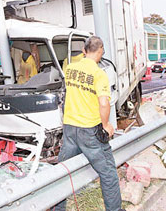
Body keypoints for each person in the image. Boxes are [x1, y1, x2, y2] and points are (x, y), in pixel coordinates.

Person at [54, 36, 122, 211]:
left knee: (62, 173)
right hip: (90, 131)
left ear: (84, 51)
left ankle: (58, 208)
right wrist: (106, 125)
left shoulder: (70, 68)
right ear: (101, 52)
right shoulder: (99, 74)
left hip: (69, 128)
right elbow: (104, 103)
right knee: (108, 173)